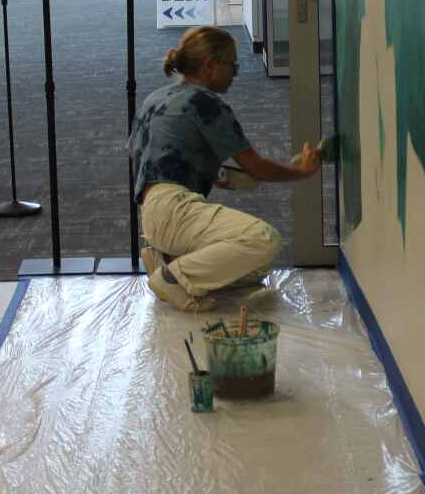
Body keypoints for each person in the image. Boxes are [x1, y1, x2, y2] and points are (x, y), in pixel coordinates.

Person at [133, 26, 322, 312]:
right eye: (232, 63)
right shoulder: (207, 103)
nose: (236, 71)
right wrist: (303, 171)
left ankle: (167, 259)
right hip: (174, 210)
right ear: (210, 66)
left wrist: (212, 173)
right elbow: (256, 167)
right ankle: (172, 277)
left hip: (150, 213)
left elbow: (145, 159)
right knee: (263, 240)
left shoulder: (155, 99)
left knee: (253, 270)